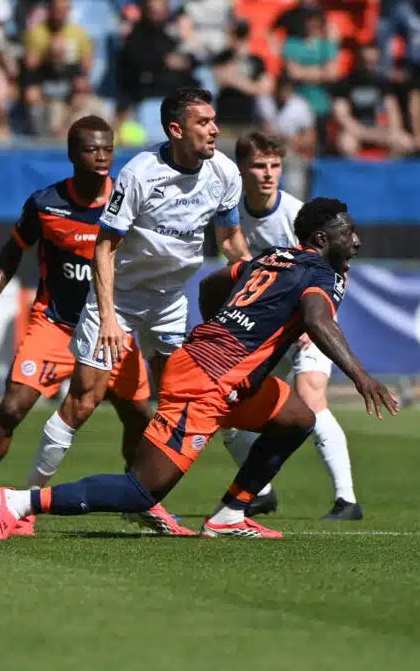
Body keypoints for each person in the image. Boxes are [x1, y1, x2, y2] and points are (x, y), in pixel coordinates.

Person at [0, 198, 399, 540]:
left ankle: (230, 515)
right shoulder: (320, 273)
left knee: (297, 418)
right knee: (141, 491)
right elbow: (316, 318)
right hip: (208, 380)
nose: (357, 241)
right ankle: (19, 502)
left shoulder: (274, 257)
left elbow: (211, 284)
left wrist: (222, 328)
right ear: (323, 239)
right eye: (348, 233)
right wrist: (361, 377)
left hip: (222, 371)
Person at [20, 87, 250, 537]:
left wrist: (251, 287)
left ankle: (148, 502)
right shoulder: (140, 174)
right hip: (119, 297)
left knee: (182, 401)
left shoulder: (224, 172)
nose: (215, 129)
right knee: (84, 400)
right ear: (175, 129)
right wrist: (107, 316)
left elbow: (230, 243)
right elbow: (104, 248)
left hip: (170, 299)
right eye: (204, 122)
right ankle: (24, 504)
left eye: (215, 120)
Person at [0, 116, 154, 527]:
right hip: (56, 324)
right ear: (73, 154)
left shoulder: (128, 203)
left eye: (108, 148)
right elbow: (13, 249)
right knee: (13, 407)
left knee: (140, 414)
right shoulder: (46, 204)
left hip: (109, 326)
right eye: (92, 149)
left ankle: (137, 497)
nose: (102, 156)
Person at [222, 132, 364, 521]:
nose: (268, 174)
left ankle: (347, 499)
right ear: (242, 170)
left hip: (307, 325)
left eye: (275, 165)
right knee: (229, 411)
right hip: (266, 331)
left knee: (311, 396)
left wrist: (314, 321)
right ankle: (260, 491)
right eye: (259, 165)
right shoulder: (230, 213)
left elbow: (338, 270)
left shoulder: (296, 215)